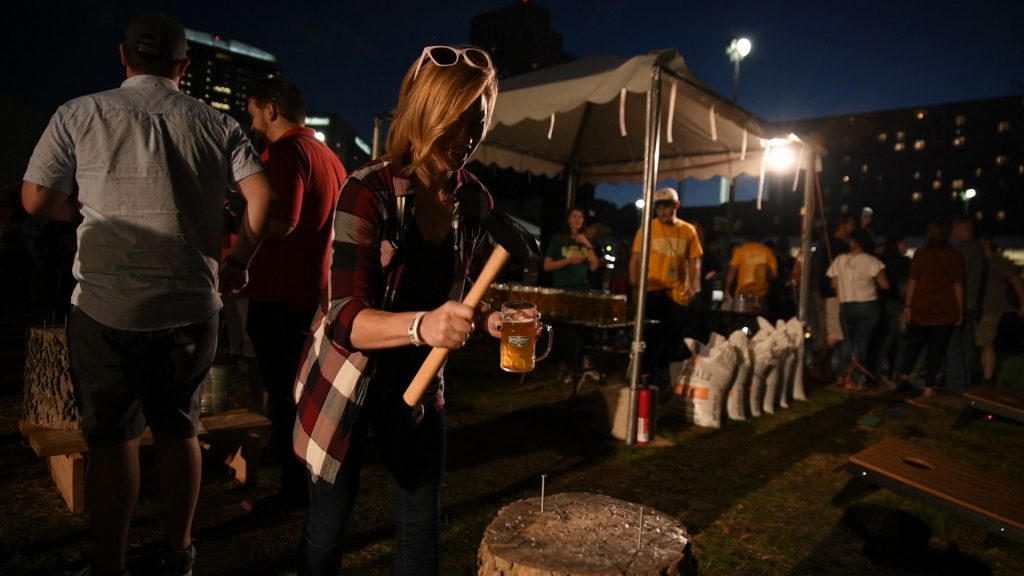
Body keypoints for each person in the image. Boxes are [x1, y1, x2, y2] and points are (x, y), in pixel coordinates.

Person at [21, 13, 275, 576]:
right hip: (191, 306)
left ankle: (110, 565)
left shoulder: (80, 113)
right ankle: (178, 553)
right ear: (184, 66)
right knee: (181, 427)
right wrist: (237, 263)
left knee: (113, 442)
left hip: (107, 308)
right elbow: (263, 199)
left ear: (123, 57)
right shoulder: (217, 122)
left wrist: (83, 209)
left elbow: (35, 199)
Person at [292, 45, 502, 576]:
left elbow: (467, 293)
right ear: (427, 112)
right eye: (459, 120)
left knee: (418, 527)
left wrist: (492, 319)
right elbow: (344, 317)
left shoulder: (474, 200)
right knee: (329, 526)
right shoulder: (369, 191)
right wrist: (423, 324)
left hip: (418, 382)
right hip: (345, 377)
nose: (470, 135)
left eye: (480, 118)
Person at [241, 78, 347, 515]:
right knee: (303, 393)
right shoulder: (330, 157)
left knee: (285, 395)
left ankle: (293, 489)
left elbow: (282, 221)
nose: (250, 122)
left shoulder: (284, 153)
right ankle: (300, 479)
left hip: (280, 294)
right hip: (313, 293)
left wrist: (237, 231)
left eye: (251, 113)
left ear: (270, 109)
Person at [629, 187, 702, 381]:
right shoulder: (647, 228)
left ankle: (665, 373)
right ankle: (646, 375)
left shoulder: (688, 230)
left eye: (666, 206)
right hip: (652, 291)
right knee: (650, 337)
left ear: (676, 206)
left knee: (673, 337)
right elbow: (635, 258)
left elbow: (695, 260)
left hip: (676, 292)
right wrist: (635, 286)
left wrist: (693, 287)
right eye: (658, 206)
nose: (662, 211)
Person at [897, 219, 964, 397]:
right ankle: (929, 387)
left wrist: (908, 306)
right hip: (944, 308)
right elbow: (957, 284)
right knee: (937, 349)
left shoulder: (920, 254)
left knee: (914, 344)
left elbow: (912, 282)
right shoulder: (954, 256)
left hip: (921, 307)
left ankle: (903, 377)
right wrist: (960, 309)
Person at [826, 228, 889, 391]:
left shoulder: (839, 260)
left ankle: (842, 375)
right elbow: (885, 285)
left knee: (848, 341)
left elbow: (834, 284)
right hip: (867, 304)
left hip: (846, 304)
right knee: (862, 341)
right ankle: (856, 378)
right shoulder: (871, 261)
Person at [976, 231, 1024, 387]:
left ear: (987, 242)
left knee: (986, 342)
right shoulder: (985, 261)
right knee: (984, 343)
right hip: (987, 308)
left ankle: (988, 378)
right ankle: (987, 376)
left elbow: (1016, 281)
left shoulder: (995, 261)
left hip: (993, 308)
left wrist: (1023, 304)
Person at [810, 215, 855, 381]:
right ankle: (817, 365)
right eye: (850, 225)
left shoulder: (826, 244)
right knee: (834, 335)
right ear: (842, 225)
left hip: (827, 293)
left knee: (831, 332)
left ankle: (824, 368)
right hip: (834, 294)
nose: (852, 229)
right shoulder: (838, 246)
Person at [945, 216, 986, 392]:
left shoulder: (962, 249)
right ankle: (965, 381)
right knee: (966, 344)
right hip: (973, 303)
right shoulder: (978, 249)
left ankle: (956, 384)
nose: (953, 232)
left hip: (959, 304)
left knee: (953, 344)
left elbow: (957, 278)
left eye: (954, 227)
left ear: (961, 227)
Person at [876, 233, 911, 381]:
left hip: (884, 303)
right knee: (901, 340)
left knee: (886, 338)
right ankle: (898, 374)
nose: (907, 246)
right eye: (904, 243)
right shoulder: (905, 263)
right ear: (898, 244)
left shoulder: (882, 261)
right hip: (900, 304)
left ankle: (876, 369)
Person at [543, 206, 600, 290]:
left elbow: (594, 267)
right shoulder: (558, 239)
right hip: (563, 286)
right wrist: (569, 260)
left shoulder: (585, 240)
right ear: (568, 219)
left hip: (583, 287)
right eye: (574, 216)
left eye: (581, 217)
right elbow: (547, 266)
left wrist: (587, 244)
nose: (578, 220)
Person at [724, 238, 778, 314]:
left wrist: (727, 290)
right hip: (760, 296)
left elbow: (731, 272)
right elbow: (775, 274)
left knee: (740, 321)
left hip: (742, 294)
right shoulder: (768, 252)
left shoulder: (740, 251)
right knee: (757, 321)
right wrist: (765, 276)